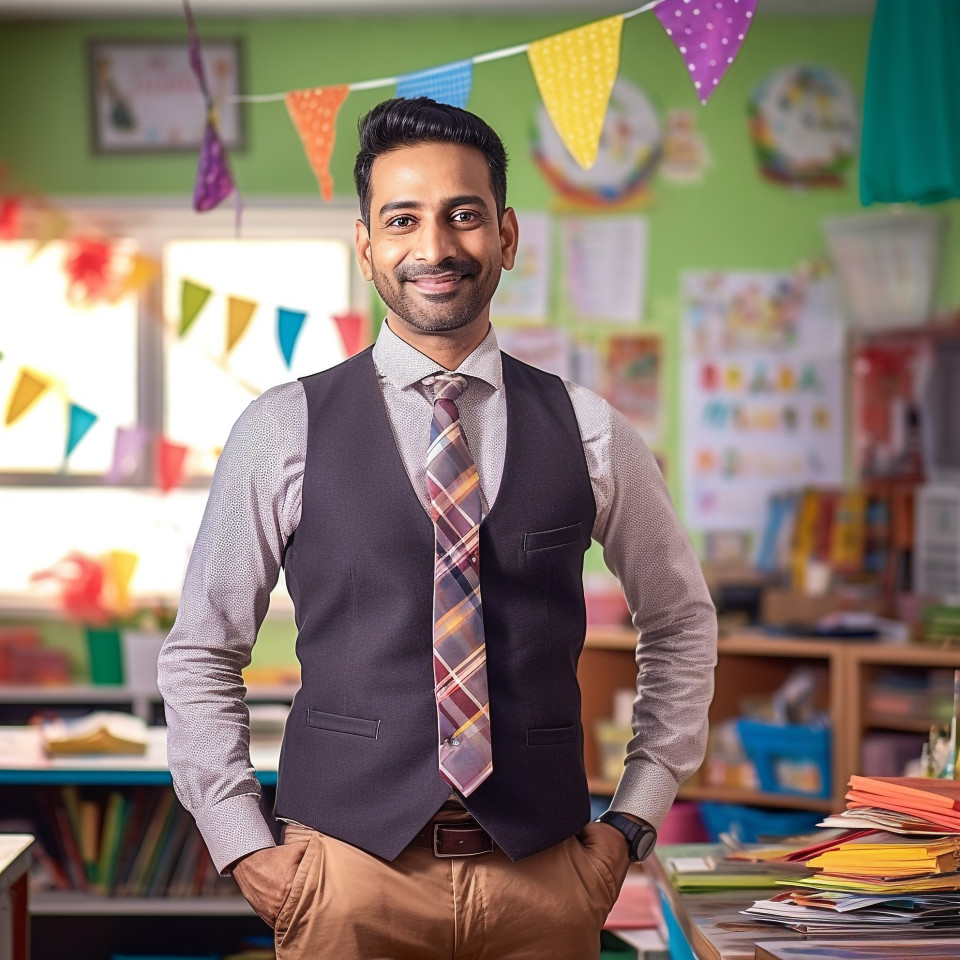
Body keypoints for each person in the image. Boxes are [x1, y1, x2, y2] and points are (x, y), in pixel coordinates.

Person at [157, 96, 717, 960]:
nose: (435, 247)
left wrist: (632, 822)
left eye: (464, 215)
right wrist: (242, 845)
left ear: (507, 234)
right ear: (367, 244)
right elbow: (201, 649)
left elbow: (680, 625)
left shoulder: (592, 428)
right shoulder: (282, 428)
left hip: (545, 879)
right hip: (344, 879)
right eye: (403, 219)